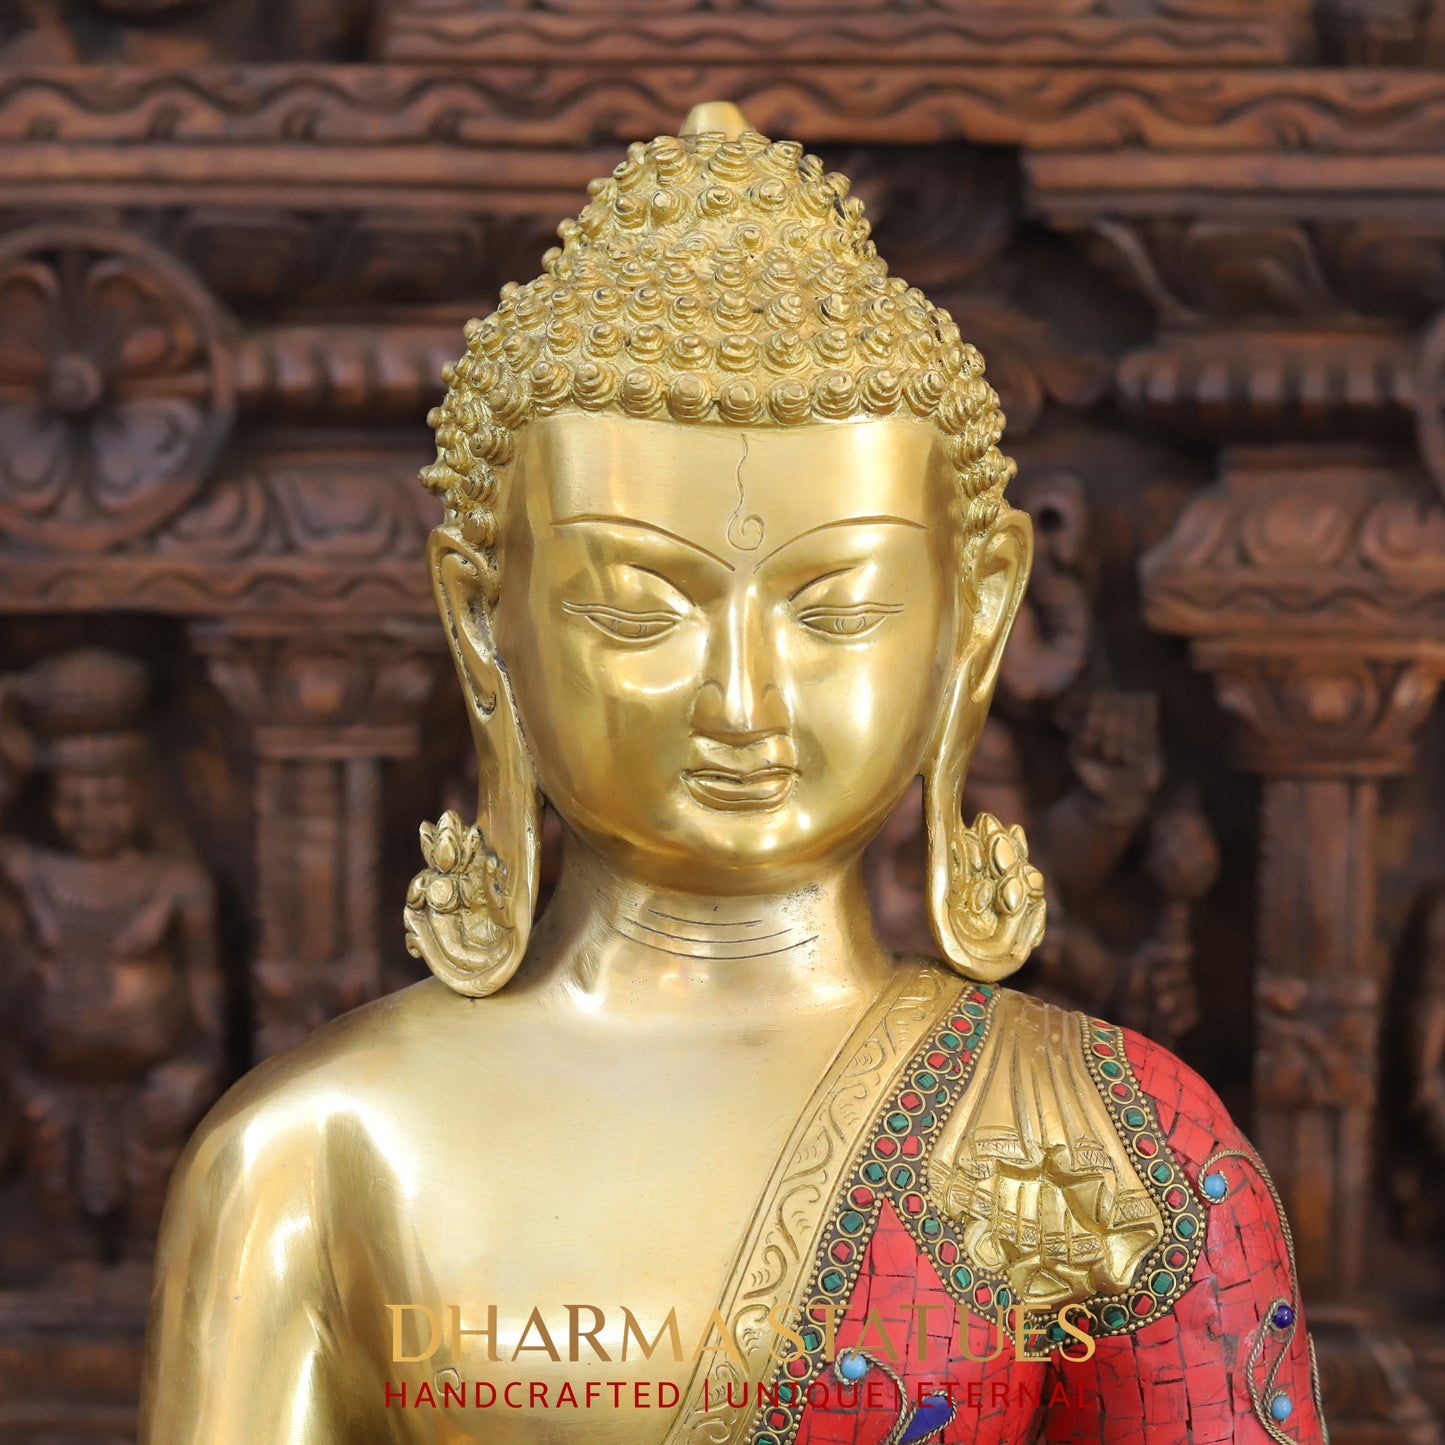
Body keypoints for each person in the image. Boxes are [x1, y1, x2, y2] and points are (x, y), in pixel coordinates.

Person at [140, 104, 1325, 1445]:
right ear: (484, 612)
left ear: (976, 610)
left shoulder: (1100, 1141)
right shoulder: (323, 1151)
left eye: (832, 611)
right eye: (641, 610)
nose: (742, 698)